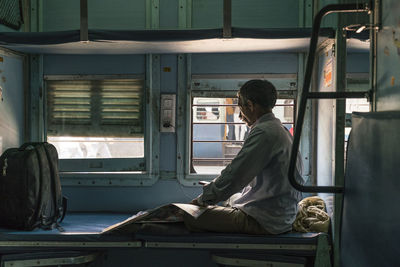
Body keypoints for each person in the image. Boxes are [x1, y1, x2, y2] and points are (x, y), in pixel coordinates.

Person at [183, 79, 304, 235]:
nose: (240, 116)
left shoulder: (264, 133)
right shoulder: (279, 130)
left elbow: (236, 175)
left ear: (251, 105)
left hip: (265, 221)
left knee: (188, 215)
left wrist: (202, 199)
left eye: (241, 107)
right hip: (279, 214)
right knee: (229, 199)